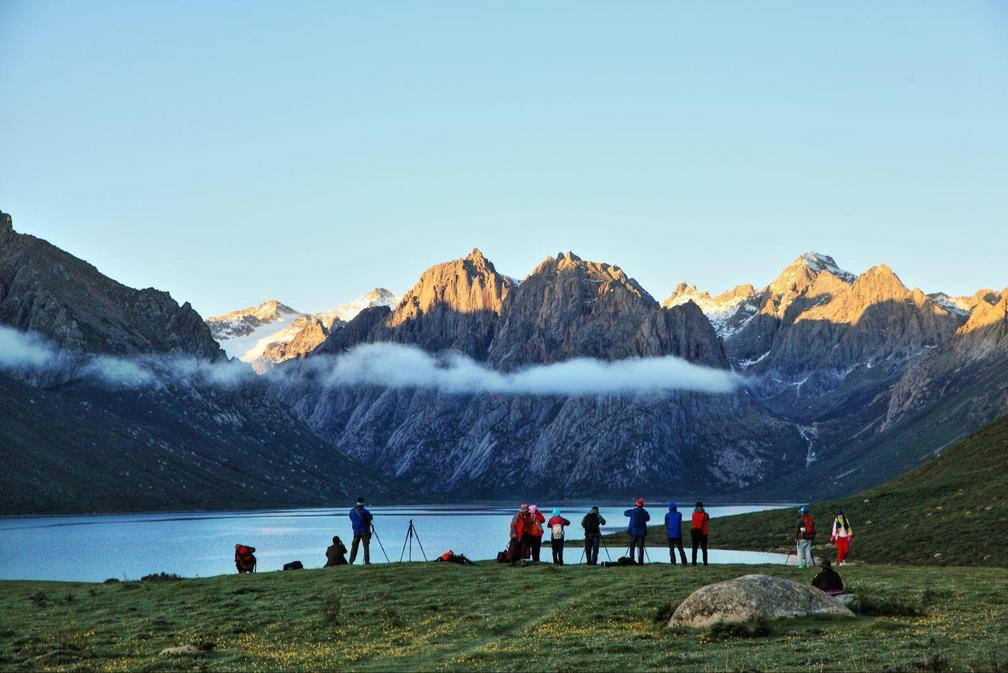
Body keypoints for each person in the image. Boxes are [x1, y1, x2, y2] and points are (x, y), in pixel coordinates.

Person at [624, 498, 650, 565]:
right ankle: (640, 562)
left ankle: (632, 561)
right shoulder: (645, 512)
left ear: (636, 504)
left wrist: (633, 509)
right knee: (641, 547)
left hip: (633, 532)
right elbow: (648, 518)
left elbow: (625, 513)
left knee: (632, 547)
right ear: (642, 505)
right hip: (641, 533)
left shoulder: (633, 511)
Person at [348, 497, 374, 565]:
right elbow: (369, 519)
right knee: (366, 546)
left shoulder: (352, 511)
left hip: (356, 531)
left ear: (356, 503)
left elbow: (350, 517)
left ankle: (351, 561)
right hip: (364, 531)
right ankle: (367, 561)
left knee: (354, 547)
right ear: (363, 503)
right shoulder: (365, 511)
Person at [691, 502, 710, 566]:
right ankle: (705, 563)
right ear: (702, 507)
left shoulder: (693, 514)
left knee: (694, 549)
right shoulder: (705, 514)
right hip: (703, 533)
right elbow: (707, 519)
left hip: (695, 533)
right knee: (704, 549)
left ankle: (694, 563)